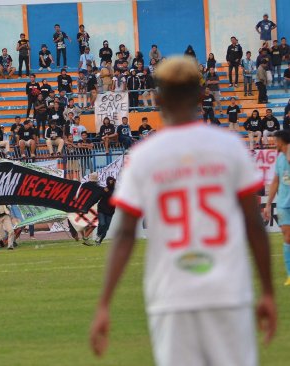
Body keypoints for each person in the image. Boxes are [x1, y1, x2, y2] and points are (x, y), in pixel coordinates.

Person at [90, 56, 276, 365]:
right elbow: (254, 224)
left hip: (171, 294)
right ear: (203, 96)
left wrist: (104, 303)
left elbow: (124, 232)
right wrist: (268, 291)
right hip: (227, 292)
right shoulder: (230, 147)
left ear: (158, 98)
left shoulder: (144, 155)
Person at [265, 130, 290, 286]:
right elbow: (275, 181)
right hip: (283, 205)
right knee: (288, 238)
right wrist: (268, 204)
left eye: (276, 141)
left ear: (282, 142)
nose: (274, 143)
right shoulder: (280, 159)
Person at [95, 177, 116, 245]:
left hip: (110, 211)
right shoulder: (104, 189)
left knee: (106, 228)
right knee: (102, 223)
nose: (111, 182)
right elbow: (98, 196)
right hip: (101, 210)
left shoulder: (115, 191)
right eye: (110, 181)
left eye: (112, 181)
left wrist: (108, 192)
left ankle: (99, 241)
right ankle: (98, 234)